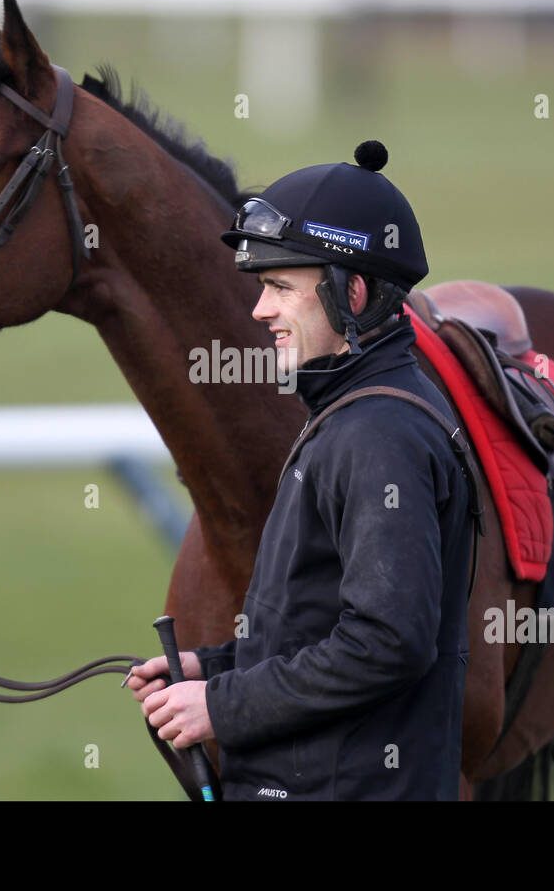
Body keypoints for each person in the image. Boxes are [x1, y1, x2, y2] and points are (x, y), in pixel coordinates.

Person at [128, 140, 475, 800]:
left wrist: (222, 706)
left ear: (356, 292)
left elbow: (387, 642)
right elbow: (315, 626)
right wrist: (213, 667)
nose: (260, 311)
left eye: (281, 287)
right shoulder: (349, 413)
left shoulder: (379, 436)